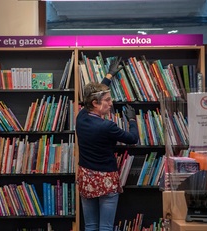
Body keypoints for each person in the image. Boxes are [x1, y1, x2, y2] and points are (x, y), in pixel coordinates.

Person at [76, 58, 139, 231]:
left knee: (90, 226)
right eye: (107, 100)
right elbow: (133, 139)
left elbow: (94, 94)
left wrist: (109, 76)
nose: (111, 104)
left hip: (86, 177)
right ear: (95, 104)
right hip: (105, 179)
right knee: (105, 227)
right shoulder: (107, 126)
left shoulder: (81, 116)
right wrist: (132, 119)